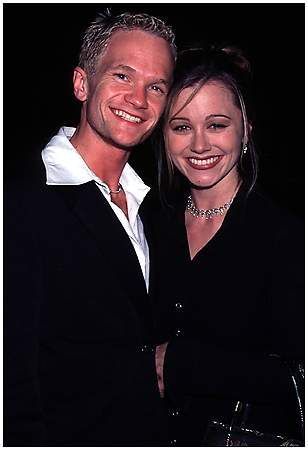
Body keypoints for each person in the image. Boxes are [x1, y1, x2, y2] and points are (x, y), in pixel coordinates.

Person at [4, 10, 176, 446]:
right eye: (122, 75)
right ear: (82, 83)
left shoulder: (153, 206)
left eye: (156, 86)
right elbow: (11, 378)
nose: (139, 99)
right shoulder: (23, 203)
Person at [153, 46, 304, 445]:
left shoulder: (285, 238)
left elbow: (298, 379)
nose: (199, 145)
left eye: (217, 124)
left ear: (246, 127)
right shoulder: (149, 223)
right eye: (181, 127)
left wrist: (185, 363)